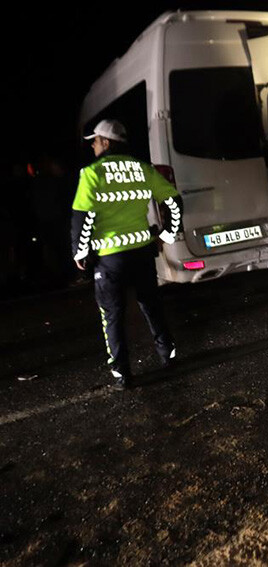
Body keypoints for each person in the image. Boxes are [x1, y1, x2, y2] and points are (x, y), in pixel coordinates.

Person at [70, 119, 182, 389]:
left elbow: (82, 217)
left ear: (106, 142)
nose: (94, 147)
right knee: (152, 306)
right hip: (142, 252)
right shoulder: (143, 169)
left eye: (95, 141)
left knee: (112, 315)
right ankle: (168, 354)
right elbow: (174, 200)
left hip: (110, 259)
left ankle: (122, 374)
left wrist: (80, 251)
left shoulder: (92, 173)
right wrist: (167, 235)